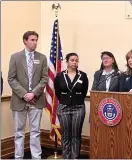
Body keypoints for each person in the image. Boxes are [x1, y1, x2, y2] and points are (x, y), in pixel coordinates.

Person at [8, 31, 48, 159]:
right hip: (19, 100)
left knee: (35, 132)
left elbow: (44, 79)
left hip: (37, 100)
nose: (35, 42)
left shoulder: (42, 58)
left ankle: (36, 157)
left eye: (36, 40)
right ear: (25, 41)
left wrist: (33, 94)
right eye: (32, 40)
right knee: (19, 133)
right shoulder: (15, 57)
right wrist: (25, 94)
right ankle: (18, 157)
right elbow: (11, 78)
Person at [54, 53, 89, 159]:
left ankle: (74, 157)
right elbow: (57, 91)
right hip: (63, 107)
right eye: (72, 60)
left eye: (76, 60)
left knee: (76, 134)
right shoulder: (60, 76)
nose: (74, 62)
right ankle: (66, 156)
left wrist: (75, 99)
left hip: (78, 107)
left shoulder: (82, 75)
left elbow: (84, 91)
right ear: (67, 61)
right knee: (65, 134)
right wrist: (66, 100)